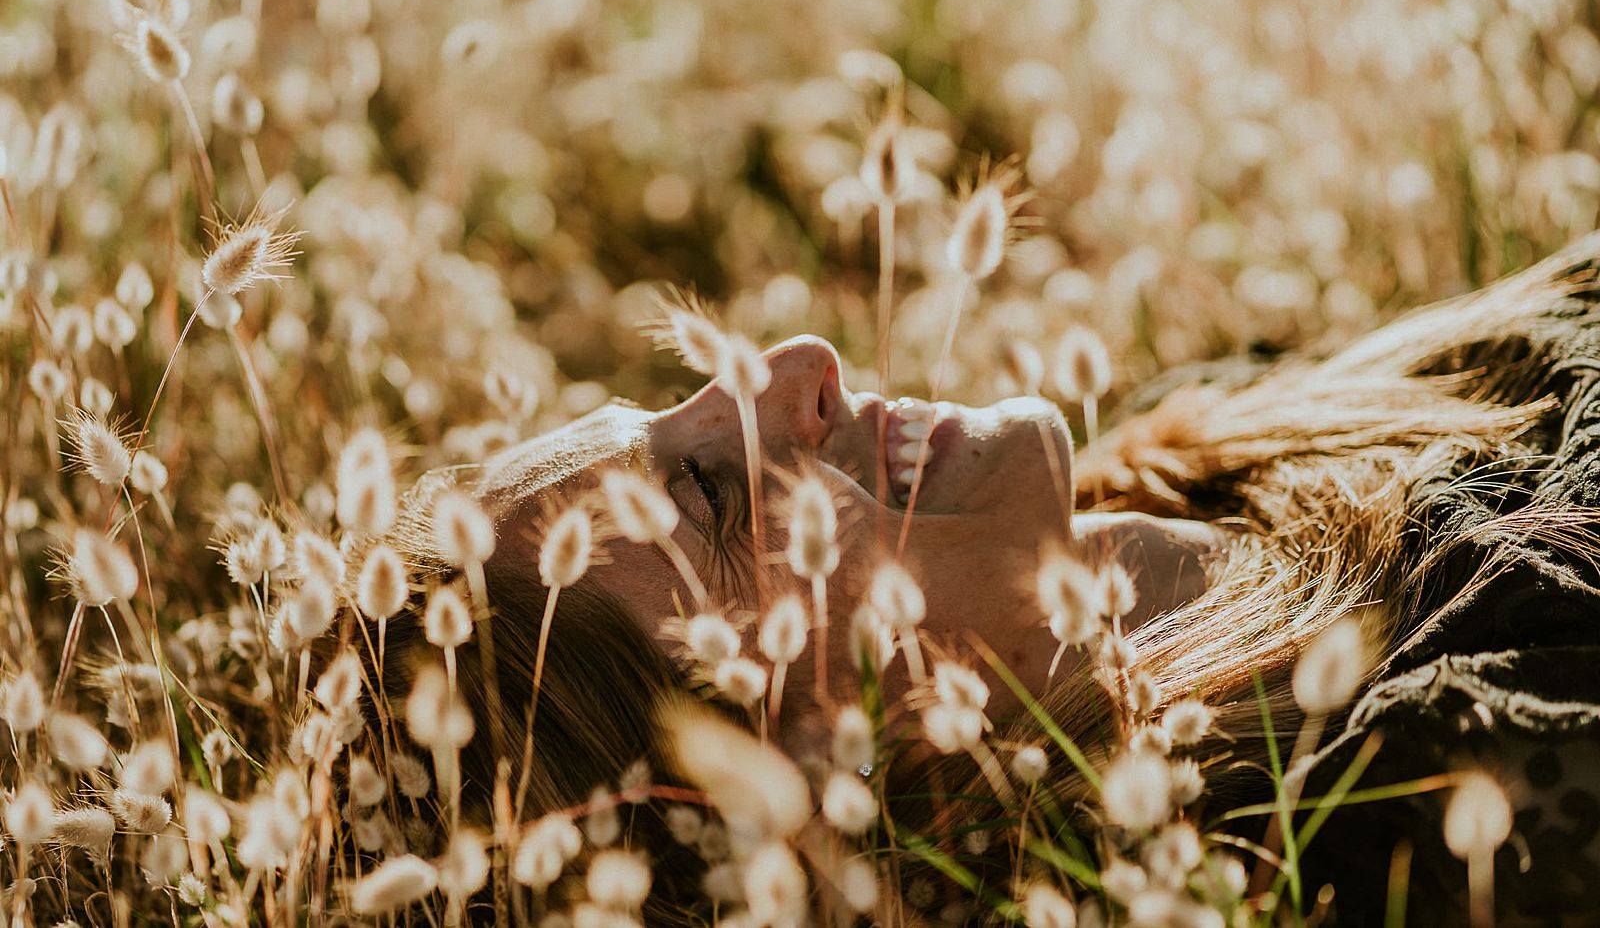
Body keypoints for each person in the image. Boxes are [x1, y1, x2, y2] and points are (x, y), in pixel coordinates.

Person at [369, 236, 1600, 922]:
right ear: (799, 778)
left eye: (673, 408)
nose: (802, 367)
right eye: (713, 494)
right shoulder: (1443, 795)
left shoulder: (1215, 435)